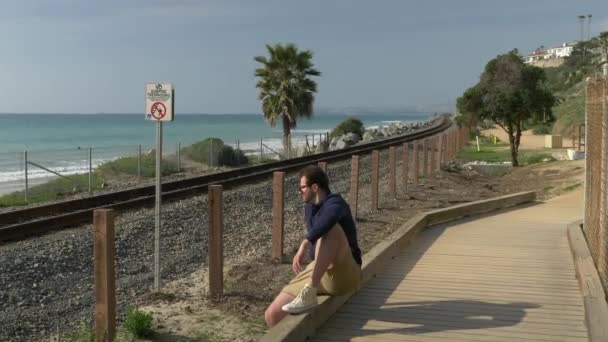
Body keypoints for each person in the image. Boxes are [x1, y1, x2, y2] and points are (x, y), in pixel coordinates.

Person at [264, 165, 362, 327]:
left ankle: (309, 292)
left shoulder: (336, 203)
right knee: (272, 314)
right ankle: (308, 292)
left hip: (345, 273)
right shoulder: (309, 207)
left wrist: (305, 242)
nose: (299, 191)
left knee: (331, 230)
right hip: (319, 272)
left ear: (315, 187)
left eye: (302, 187)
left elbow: (328, 220)